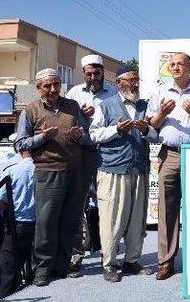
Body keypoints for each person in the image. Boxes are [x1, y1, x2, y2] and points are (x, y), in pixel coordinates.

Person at [15, 68, 90, 287]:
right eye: (47, 86)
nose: (53, 89)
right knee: (46, 224)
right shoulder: (30, 110)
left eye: (56, 84)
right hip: (48, 173)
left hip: (74, 172)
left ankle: (63, 266)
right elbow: (20, 144)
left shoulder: (72, 106)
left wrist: (80, 135)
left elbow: (87, 135)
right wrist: (41, 138)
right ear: (38, 89)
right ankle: (42, 270)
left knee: (70, 222)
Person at [147, 53, 190, 280]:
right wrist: (162, 113)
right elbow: (152, 125)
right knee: (167, 209)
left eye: (180, 64)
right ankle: (166, 261)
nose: (175, 67)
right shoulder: (160, 92)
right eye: (173, 64)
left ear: (189, 67)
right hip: (170, 154)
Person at [89, 65, 158, 282]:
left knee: (137, 219)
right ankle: (109, 263)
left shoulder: (145, 106)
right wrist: (117, 130)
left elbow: (155, 136)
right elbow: (93, 135)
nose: (135, 84)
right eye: (130, 80)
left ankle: (131, 261)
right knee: (112, 219)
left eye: (137, 79)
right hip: (112, 170)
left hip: (138, 169)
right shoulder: (105, 105)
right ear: (118, 83)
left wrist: (145, 129)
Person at [65, 54, 117, 276]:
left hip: (109, 154)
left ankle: (110, 257)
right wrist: (80, 116)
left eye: (97, 72)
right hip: (82, 154)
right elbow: (66, 124)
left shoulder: (114, 92)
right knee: (77, 207)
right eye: (89, 73)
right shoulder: (74, 93)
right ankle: (75, 256)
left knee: (110, 206)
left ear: (103, 72)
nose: (94, 76)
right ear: (84, 73)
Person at [0, 150, 35, 300]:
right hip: (42, 227)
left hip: (18, 226)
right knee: (33, 270)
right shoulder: (46, 170)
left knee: (7, 269)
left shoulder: (12, 170)